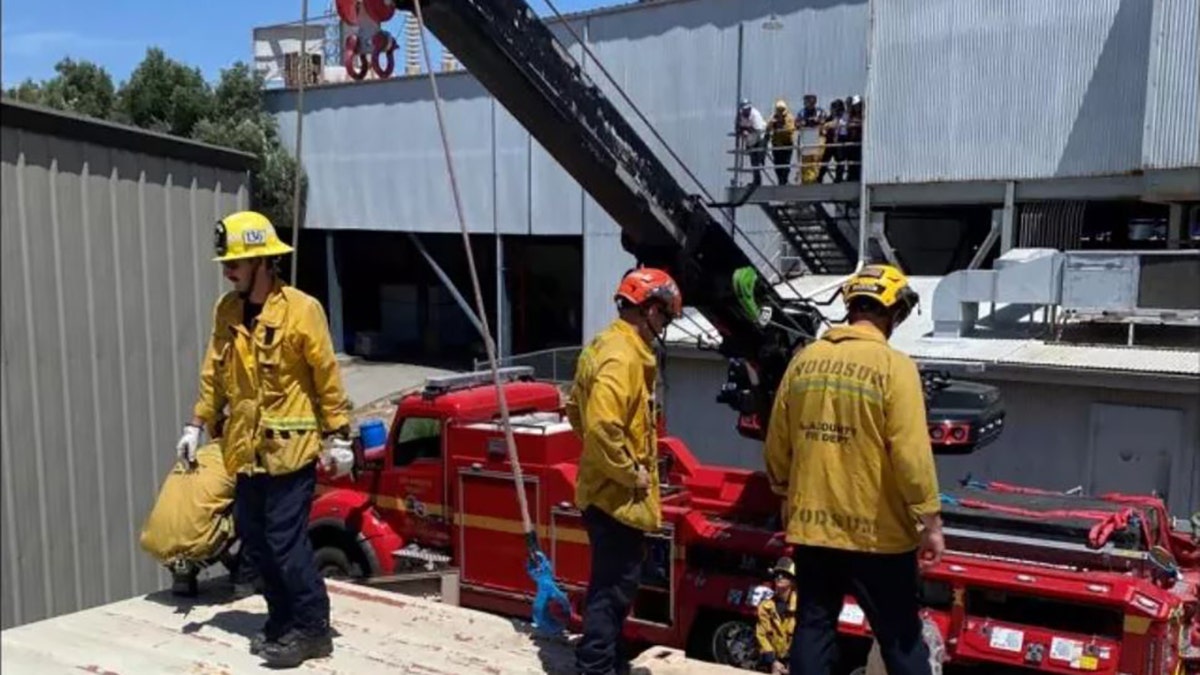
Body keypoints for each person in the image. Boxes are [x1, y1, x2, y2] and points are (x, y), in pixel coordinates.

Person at [175, 210, 355, 668]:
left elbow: (326, 377)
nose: (227, 271)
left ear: (262, 261)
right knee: (255, 542)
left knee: (283, 542)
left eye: (234, 263)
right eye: (225, 264)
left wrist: (338, 435)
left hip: (289, 452)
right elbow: (214, 371)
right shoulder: (227, 311)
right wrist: (197, 423)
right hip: (246, 451)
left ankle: (313, 628)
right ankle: (282, 623)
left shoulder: (301, 310)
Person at [763, 263, 944, 675]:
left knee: (813, 625)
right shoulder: (894, 367)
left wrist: (784, 492)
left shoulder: (804, 361)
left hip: (814, 528)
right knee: (899, 636)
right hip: (877, 535)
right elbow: (911, 455)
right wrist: (929, 519)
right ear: (892, 312)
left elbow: (777, 442)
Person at [566, 267, 682, 675]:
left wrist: (605, 460)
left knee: (615, 584)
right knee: (613, 589)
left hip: (602, 490)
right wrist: (631, 472)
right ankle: (596, 665)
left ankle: (609, 658)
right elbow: (601, 425)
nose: (665, 325)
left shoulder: (603, 345)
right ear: (650, 309)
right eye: (665, 316)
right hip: (615, 495)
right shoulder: (623, 356)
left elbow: (575, 411)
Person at [756, 557, 798, 675]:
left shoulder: (801, 609)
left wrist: (793, 663)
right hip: (775, 661)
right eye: (777, 574)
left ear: (793, 581)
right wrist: (773, 662)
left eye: (784, 575)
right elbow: (761, 635)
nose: (779, 577)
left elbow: (805, 639)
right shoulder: (765, 607)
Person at [736, 99, 768, 186]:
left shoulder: (755, 115)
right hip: (750, 140)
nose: (745, 111)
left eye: (747, 109)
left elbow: (758, 130)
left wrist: (747, 130)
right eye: (744, 109)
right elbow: (738, 127)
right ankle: (756, 181)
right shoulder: (740, 115)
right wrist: (742, 131)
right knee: (753, 162)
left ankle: (758, 181)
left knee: (758, 160)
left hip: (760, 138)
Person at [817, 99, 848, 184]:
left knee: (840, 161)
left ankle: (839, 178)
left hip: (840, 143)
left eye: (834, 108)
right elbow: (823, 127)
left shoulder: (844, 117)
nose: (832, 110)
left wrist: (831, 124)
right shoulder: (829, 117)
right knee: (825, 160)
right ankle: (819, 178)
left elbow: (841, 126)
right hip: (830, 143)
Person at [767, 99, 796, 185]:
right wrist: (772, 124)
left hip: (786, 144)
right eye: (778, 109)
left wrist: (781, 127)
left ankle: (784, 180)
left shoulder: (789, 117)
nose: (780, 111)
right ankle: (780, 180)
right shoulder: (773, 117)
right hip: (776, 144)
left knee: (786, 164)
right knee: (777, 164)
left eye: (781, 109)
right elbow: (768, 127)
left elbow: (790, 129)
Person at [845, 95, 865, 182]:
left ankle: (858, 176)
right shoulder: (850, 115)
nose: (857, 107)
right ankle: (851, 176)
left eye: (858, 105)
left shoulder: (863, 114)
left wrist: (855, 122)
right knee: (851, 160)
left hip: (860, 140)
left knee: (858, 160)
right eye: (855, 105)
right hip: (851, 140)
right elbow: (846, 123)